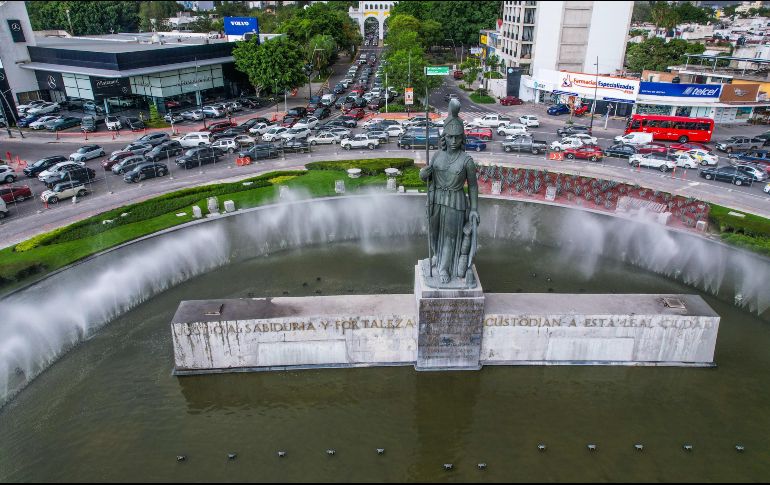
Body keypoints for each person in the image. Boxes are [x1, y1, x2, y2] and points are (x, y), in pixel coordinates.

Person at [419, 99, 480, 285]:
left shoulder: (466, 160)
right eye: (450, 137)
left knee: (450, 237)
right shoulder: (437, 155)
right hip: (436, 199)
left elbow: (473, 186)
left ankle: (445, 267)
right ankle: (437, 256)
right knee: (433, 232)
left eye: (457, 137)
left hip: (456, 202)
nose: (453, 141)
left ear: (462, 138)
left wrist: (474, 209)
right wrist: (423, 173)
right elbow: (426, 175)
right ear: (444, 137)